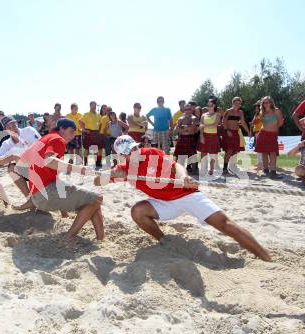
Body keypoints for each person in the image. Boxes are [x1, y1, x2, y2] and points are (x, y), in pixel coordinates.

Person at [94, 135, 271, 261]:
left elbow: (176, 165)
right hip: (164, 203)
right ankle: (165, 241)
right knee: (137, 211)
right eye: (129, 151)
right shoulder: (124, 169)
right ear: (121, 156)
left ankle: (266, 258)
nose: (135, 151)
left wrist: (183, 178)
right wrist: (111, 173)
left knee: (226, 225)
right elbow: (96, 182)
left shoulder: (151, 153)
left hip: (185, 194)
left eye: (135, 147)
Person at [11, 118, 104, 241]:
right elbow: (49, 161)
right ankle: (69, 236)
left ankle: (101, 239)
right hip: (45, 194)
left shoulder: (45, 139)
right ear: (61, 129)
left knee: (93, 201)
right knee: (97, 199)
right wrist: (80, 169)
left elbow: (20, 166)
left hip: (37, 196)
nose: (72, 135)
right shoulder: (57, 139)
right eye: (71, 131)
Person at [0, 115, 41, 199]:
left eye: (13, 125)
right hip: (27, 169)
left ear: (17, 123)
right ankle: (29, 199)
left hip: (39, 166)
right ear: (5, 130)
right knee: (11, 168)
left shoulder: (28, 130)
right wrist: (12, 156)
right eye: (8, 127)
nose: (12, 128)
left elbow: (41, 147)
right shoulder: (7, 143)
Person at [254, 96, 284, 179]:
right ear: (262, 104)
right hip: (263, 134)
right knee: (264, 153)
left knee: (273, 153)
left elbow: (281, 122)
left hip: (272, 135)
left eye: (268, 102)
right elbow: (262, 124)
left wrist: (274, 129)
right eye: (265, 102)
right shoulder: (261, 112)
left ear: (271, 102)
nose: (266, 104)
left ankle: (273, 172)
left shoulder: (276, 111)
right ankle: (265, 170)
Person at [222, 97, 250, 176]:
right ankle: (224, 168)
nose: (238, 104)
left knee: (235, 151)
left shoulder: (240, 112)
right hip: (228, 132)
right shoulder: (228, 111)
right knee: (229, 150)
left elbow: (243, 123)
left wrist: (248, 132)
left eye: (239, 103)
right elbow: (223, 121)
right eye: (236, 103)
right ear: (233, 102)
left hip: (236, 133)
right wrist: (227, 130)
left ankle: (231, 166)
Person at [198, 98, 221, 176]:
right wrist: (201, 136)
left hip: (213, 136)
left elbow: (215, 125)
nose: (209, 106)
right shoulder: (203, 115)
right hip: (204, 135)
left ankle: (211, 169)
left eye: (211, 105)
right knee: (203, 153)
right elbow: (200, 127)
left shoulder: (217, 114)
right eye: (208, 105)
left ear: (214, 105)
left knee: (213, 154)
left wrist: (203, 125)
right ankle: (203, 169)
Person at [173, 104, 198, 171]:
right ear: (184, 110)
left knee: (192, 155)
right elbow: (177, 129)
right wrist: (187, 128)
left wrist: (183, 128)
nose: (187, 111)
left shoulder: (194, 118)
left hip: (190, 137)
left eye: (189, 109)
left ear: (191, 109)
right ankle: (179, 170)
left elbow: (192, 128)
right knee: (180, 156)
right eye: (186, 109)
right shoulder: (180, 118)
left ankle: (194, 171)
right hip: (182, 138)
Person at [79, 101, 103, 167]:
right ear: (90, 106)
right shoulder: (86, 114)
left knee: (97, 148)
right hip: (89, 132)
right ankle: (86, 162)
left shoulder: (98, 115)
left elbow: (101, 123)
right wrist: (84, 129)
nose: (94, 107)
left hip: (96, 132)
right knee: (87, 148)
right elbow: (80, 121)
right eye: (93, 105)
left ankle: (97, 162)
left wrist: (99, 130)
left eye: (95, 105)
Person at [250, 101, 263, 171]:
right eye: (256, 107)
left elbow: (255, 122)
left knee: (259, 149)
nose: (256, 108)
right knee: (258, 149)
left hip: (260, 132)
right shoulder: (256, 114)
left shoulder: (261, 113)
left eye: (257, 107)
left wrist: (253, 123)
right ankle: (260, 163)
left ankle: (260, 164)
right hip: (257, 133)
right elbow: (253, 123)